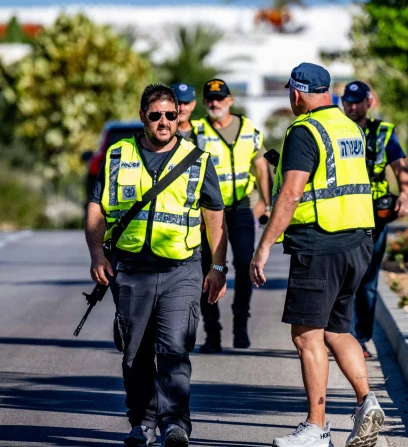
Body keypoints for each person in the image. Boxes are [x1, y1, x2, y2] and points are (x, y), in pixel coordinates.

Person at [85, 84, 229, 447]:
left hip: (181, 269)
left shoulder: (197, 159)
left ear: (179, 116)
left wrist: (218, 266)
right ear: (143, 117)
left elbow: (214, 215)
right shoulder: (118, 155)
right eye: (156, 115)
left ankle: (175, 424)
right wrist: (96, 255)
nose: (164, 122)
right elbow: (96, 209)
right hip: (131, 270)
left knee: (173, 350)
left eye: (171, 115)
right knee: (135, 354)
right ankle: (142, 423)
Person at [250, 63, 386, 447]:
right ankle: (367, 402)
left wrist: (263, 248)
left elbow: (291, 194)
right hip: (358, 240)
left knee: (307, 335)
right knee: (337, 329)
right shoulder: (350, 127)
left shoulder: (304, 130)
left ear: (296, 94)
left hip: (320, 242)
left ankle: (317, 427)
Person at [190, 78, 272, 353]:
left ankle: (241, 325)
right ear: (204, 103)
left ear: (230, 101)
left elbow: (261, 168)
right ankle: (212, 333)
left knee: (245, 264)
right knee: (208, 269)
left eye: (220, 98)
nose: (215, 103)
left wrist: (266, 203)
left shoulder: (248, 129)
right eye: (210, 99)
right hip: (207, 212)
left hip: (240, 208)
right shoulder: (197, 132)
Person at [341, 81, 408, 358]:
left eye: (358, 101)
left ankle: (361, 339)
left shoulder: (383, 133)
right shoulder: (336, 130)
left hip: (374, 216)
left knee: (368, 281)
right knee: (344, 278)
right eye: (348, 100)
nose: (353, 106)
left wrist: (404, 195)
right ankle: (339, 335)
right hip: (342, 214)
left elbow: (401, 168)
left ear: (369, 102)